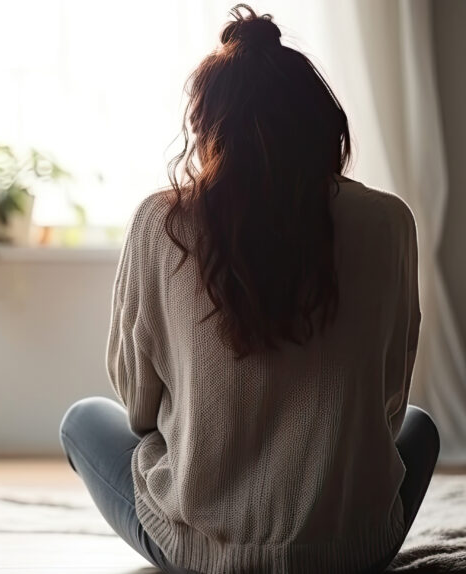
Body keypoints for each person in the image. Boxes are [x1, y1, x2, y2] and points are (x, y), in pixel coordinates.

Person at [59, 5, 439, 573]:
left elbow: (137, 408)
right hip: (351, 551)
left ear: (206, 125)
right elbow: (388, 401)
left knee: (82, 419)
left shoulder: (161, 223)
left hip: (201, 552)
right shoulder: (389, 222)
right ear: (321, 121)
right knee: (421, 426)